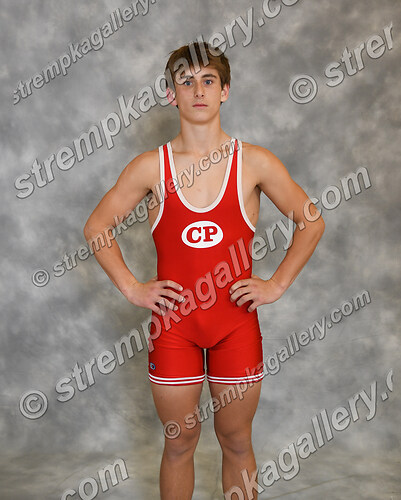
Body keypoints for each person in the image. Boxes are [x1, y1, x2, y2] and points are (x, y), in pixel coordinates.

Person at [83, 41, 325, 500]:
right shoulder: (150, 167)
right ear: (171, 94)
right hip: (175, 327)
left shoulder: (254, 162)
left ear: (225, 91)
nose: (198, 90)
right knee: (180, 442)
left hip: (235, 324)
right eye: (186, 81)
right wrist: (133, 288)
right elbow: (97, 227)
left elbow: (311, 221)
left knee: (236, 441)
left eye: (208, 81)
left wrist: (276, 284)